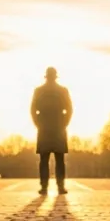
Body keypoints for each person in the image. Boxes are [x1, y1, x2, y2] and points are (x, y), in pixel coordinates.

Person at [31, 67, 73, 195]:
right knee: (57, 159)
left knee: (46, 160)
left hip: (47, 126)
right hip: (56, 126)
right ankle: (59, 187)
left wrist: (38, 124)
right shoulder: (62, 90)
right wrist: (64, 123)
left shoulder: (39, 91)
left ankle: (46, 187)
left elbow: (33, 110)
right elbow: (69, 109)